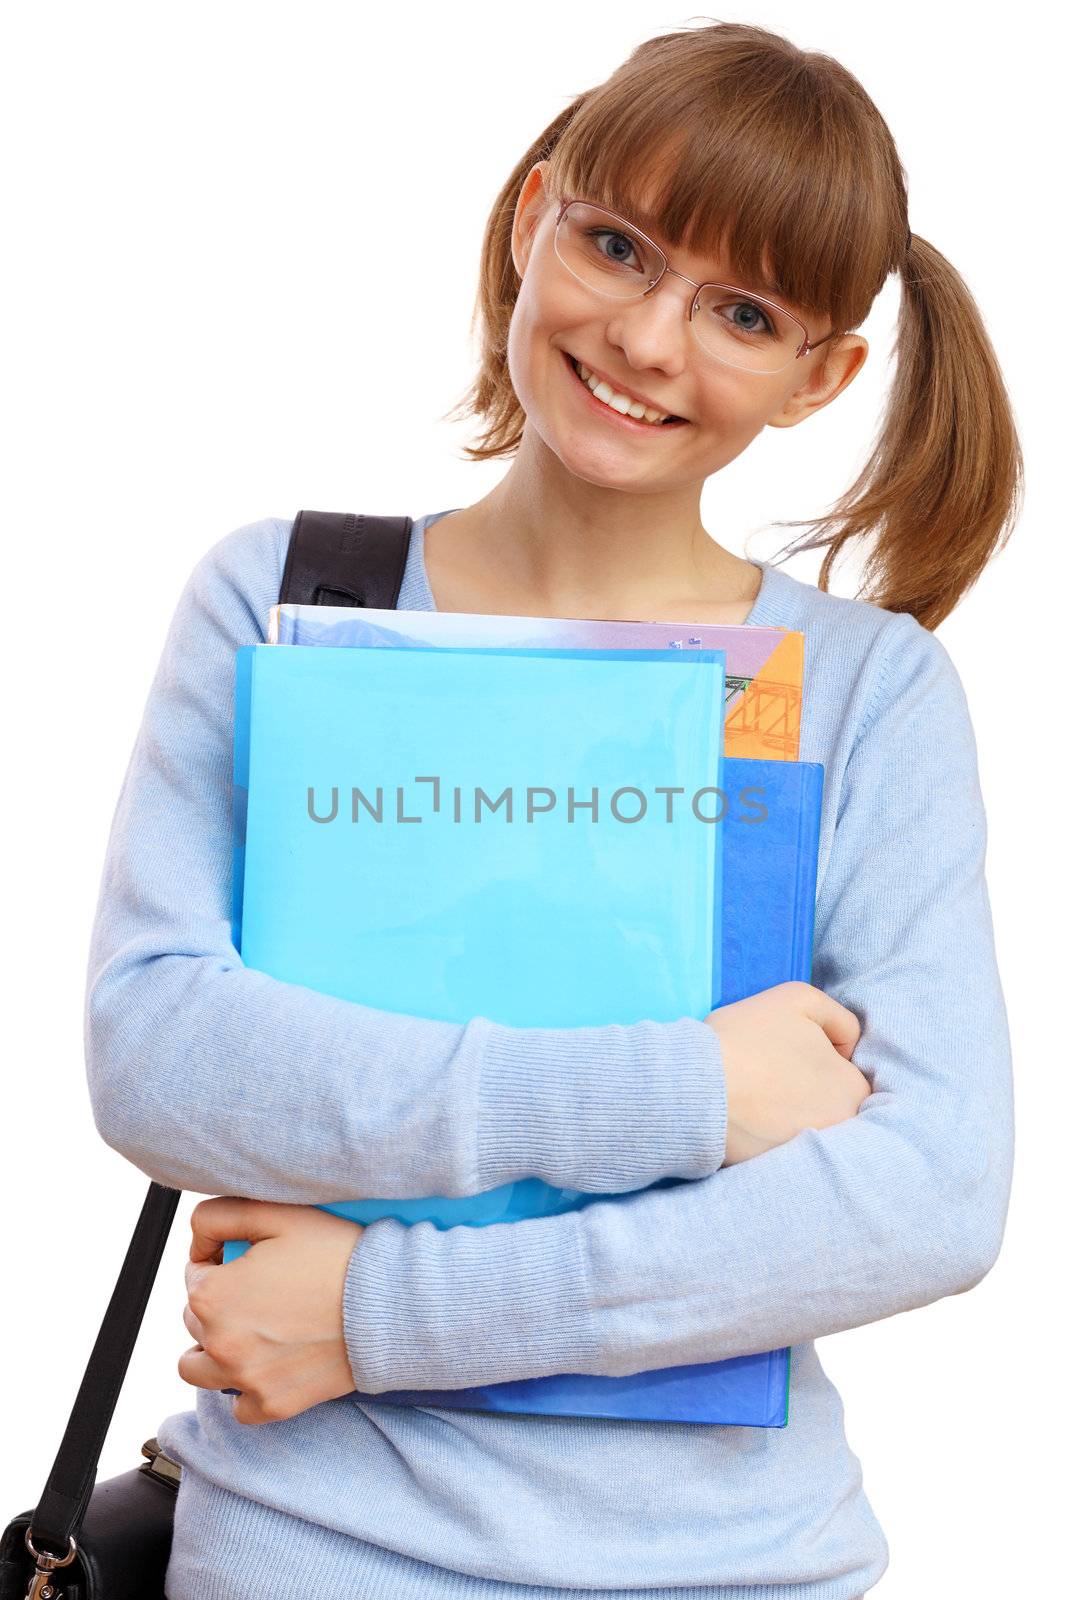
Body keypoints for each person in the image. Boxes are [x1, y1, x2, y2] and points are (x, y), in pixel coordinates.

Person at [83, 20, 1019, 1600]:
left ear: (822, 375)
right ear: (531, 221)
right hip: (318, 1550)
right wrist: (689, 1098)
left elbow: (931, 1191)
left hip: (742, 1568)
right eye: (616, 246)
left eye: (743, 311)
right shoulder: (291, 601)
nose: (652, 341)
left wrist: (388, 1315)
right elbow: (162, 1054)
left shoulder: (868, 694)